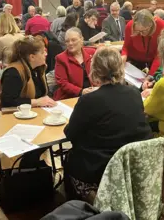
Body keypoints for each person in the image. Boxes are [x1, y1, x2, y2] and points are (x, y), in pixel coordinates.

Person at [63, 47, 152, 200]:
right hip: (132, 167)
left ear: (95, 70)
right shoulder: (134, 94)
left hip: (99, 171)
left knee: (70, 160)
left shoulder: (89, 100)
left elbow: (70, 134)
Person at [0, 36, 56, 111]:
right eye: (42, 52)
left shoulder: (39, 68)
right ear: (32, 57)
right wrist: (37, 102)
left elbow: (43, 95)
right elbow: (8, 102)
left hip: (33, 113)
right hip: (10, 116)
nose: (46, 54)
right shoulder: (13, 72)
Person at [121, 9, 164, 76]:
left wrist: (150, 75)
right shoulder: (130, 26)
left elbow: (160, 54)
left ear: (152, 25)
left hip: (155, 62)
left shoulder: (161, 26)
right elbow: (126, 47)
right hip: (135, 62)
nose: (141, 34)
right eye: (138, 31)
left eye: (144, 31)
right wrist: (124, 55)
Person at [54, 28, 96, 100]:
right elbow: (62, 83)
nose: (70, 43)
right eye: (67, 41)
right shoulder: (61, 58)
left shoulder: (92, 52)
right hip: (70, 97)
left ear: (81, 39)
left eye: (73, 40)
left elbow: (101, 73)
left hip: (92, 94)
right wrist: (81, 91)